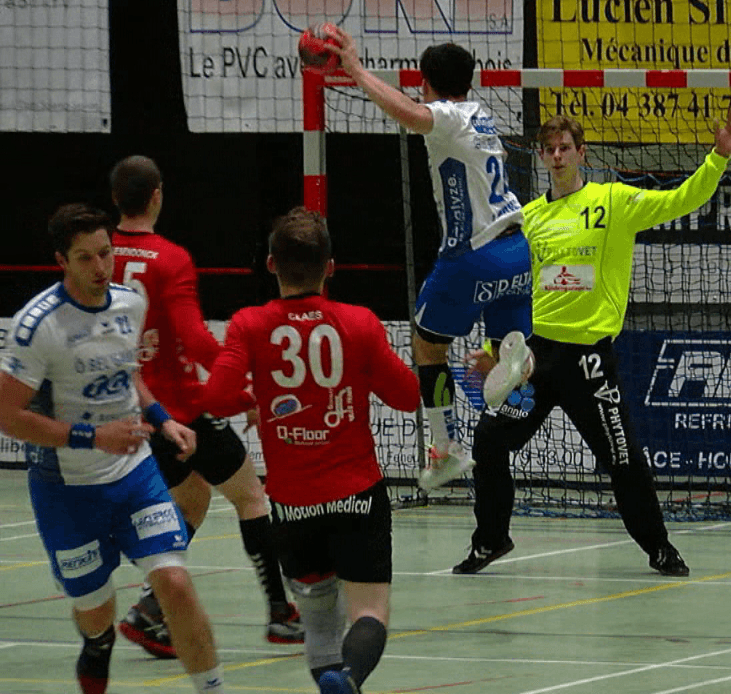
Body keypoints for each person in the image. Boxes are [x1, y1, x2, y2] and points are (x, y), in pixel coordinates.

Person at [453, 111, 731, 577]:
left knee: (623, 459)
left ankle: (659, 547)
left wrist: (719, 156)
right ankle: (491, 540)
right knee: (489, 440)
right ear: (542, 157)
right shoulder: (529, 218)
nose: (556, 156)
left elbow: (682, 198)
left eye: (564, 147)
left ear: (581, 152)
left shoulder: (614, 202)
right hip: (534, 358)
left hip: (589, 361)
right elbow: (508, 291)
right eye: (548, 149)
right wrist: (495, 351)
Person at [0, 204, 228, 694]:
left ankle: (212, 688)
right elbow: (7, 416)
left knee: (175, 583)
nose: (101, 268)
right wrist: (93, 437)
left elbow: (129, 374)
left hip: (134, 473)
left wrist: (163, 419)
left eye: (105, 253)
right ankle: (99, 643)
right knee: (95, 611)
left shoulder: (129, 304)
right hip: (67, 488)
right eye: (85, 259)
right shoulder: (35, 326)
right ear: (61, 261)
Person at [204, 209, 420, 694]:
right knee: (369, 613)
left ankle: (333, 680)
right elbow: (407, 396)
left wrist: (256, 398)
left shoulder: (249, 325)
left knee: (320, 619)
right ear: (332, 267)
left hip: (292, 503)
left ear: (270, 264)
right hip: (358, 497)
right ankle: (350, 677)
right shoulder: (358, 323)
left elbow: (214, 398)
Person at [322, 25, 535, 490]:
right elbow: (420, 111)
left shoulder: (448, 117)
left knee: (427, 347)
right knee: (498, 357)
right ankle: (513, 358)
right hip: (518, 254)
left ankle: (447, 449)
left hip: (473, 255)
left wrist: (355, 69)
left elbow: (411, 115)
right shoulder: (480, 114)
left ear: (427, 83)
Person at [107, 155, 303, 657]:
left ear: (116, 199)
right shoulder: (170, 258)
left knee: (192, 500)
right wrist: (247, 389)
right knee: (252, 498)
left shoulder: (98, 253)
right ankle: (281, 616)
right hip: (180, 408)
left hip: (130, 407)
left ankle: (149, 611)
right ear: (158, 195)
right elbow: (195, 340)